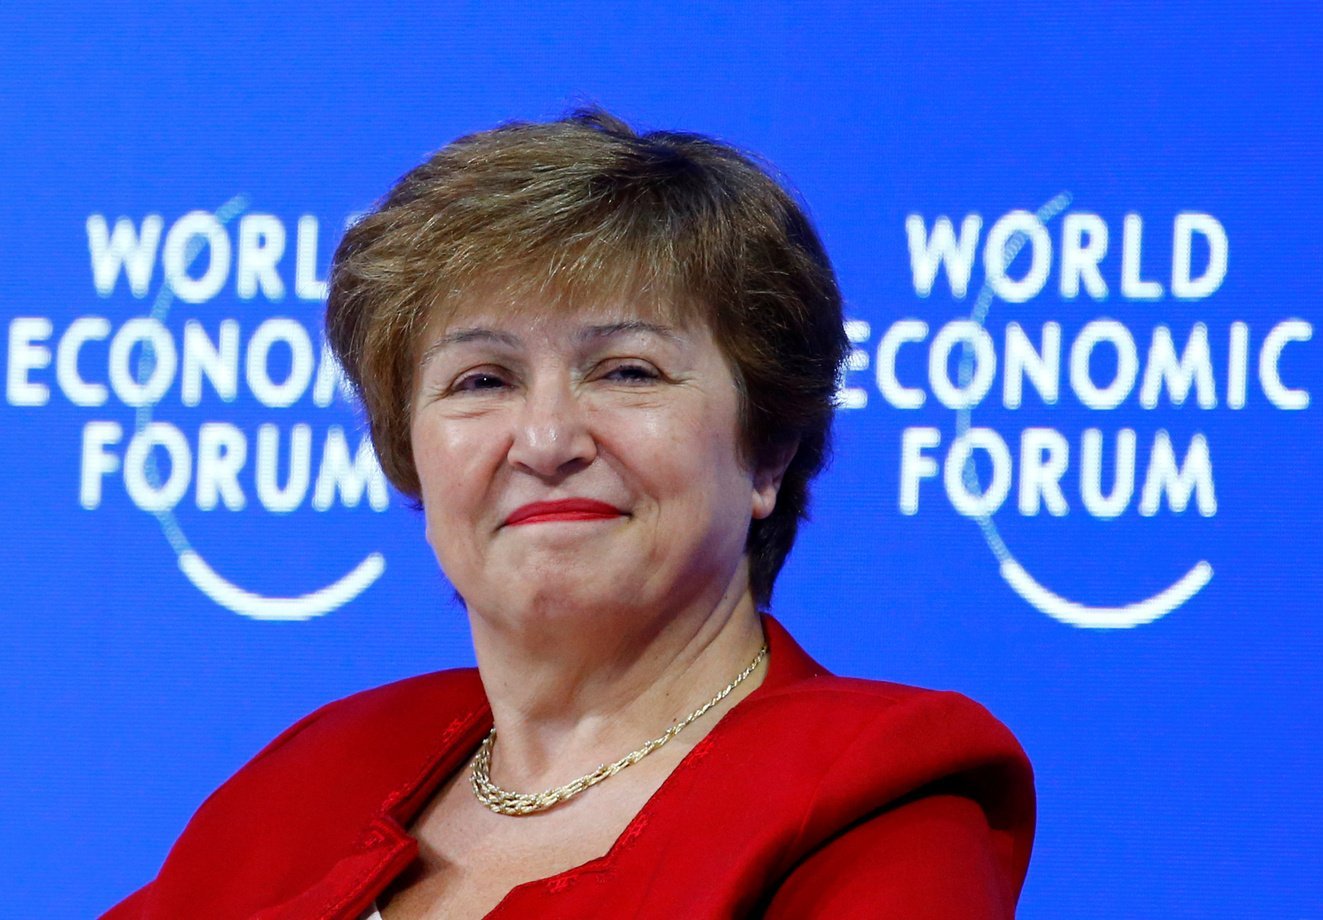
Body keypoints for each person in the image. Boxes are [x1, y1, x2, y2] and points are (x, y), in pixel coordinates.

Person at [104, 110, 1035, 919]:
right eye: (481, 380)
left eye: (627, 371)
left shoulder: (866, 795)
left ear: (767, 451)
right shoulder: (315, 776)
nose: (546, 440)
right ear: (410, 451)